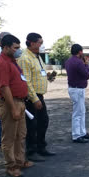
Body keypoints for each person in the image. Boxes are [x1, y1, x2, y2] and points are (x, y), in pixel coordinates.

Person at [0, 34, 34, 177]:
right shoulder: (2, 63)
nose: (19, 50)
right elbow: (4, 88)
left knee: (20, 135)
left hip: (20, 102)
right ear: (6, 47)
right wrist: (13, 108)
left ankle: (20, 161)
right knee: (9, 137)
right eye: (16, 47)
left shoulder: (12, 61)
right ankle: (11, 166)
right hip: (11, 103)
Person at [17, 33, 56, 162]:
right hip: (31, 98)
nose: (42, 45)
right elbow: (26, 81)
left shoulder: (37, 56)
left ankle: (41, 147)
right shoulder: (25, 58)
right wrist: (34, 99)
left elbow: (39, 73)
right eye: (40, 42)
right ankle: (31, 151)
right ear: (32, 43)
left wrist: (48, 77)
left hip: (39, 96)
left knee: (43, 122)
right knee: (32, 125)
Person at [65, 44, 89, 143]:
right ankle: (77, 135)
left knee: (81, 112)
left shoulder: (69, 61)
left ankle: (82, 132)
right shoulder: (79, 62)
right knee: (78, 113)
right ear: (80, 52)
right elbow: (86, 75)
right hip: (77, 89)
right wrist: (86, 64)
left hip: (74, 88)